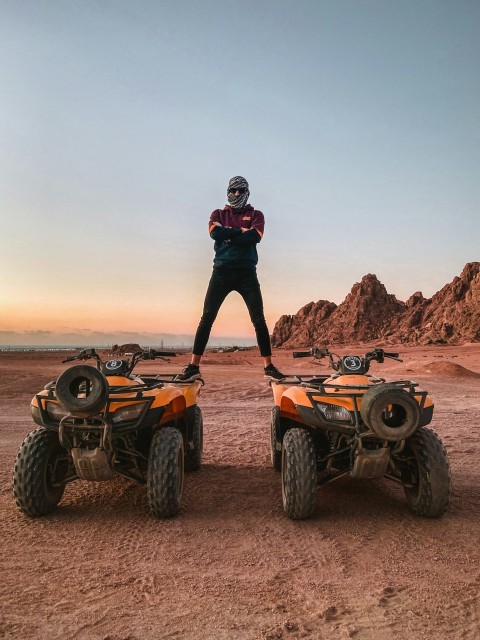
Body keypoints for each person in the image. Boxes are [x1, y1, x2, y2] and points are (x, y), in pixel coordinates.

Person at [176, 176, 285, 381]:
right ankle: (193, 366)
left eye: (240, 191)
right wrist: (240, 232)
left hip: (247, 273)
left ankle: (269, 367)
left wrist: (229, 235)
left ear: (247, 193)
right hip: (221, 273)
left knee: (258, 319)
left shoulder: (256, 214)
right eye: (233, 190)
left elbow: (255, 237)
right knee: (207, 318)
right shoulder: (217, 213)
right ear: (228, 191)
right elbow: (214, 233)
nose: (236, 194)